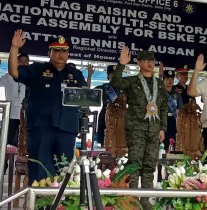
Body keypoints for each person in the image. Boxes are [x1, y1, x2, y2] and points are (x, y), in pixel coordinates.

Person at [8, 29, 87, 184]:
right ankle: (40, 206)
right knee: (39, 170)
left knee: (64, 171)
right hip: (41, 128)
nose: (61, 54)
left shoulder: (76, 74)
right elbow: (14, 71)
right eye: (56, 50)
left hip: (67, 130)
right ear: (49, 52)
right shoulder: (37, 69)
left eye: (64, 51)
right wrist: (14, 47)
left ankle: (60, 207)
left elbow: (85, 97)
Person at [110, 47, 167, 210]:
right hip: (136, 129)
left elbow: (163, 108)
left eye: (152, 60)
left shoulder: (160, 84)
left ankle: (146, 199)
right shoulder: (133, 81)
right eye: (146, 60)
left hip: (154, 129)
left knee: (150, 164)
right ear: (139, 62)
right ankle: (133, 198)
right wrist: (121, 64)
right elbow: (115, 82)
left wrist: (162, 128)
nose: (150, 63)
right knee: (134, 163)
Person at [0, 53, 29, 147]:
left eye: (25, 61)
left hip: (26, 116)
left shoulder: (32, 77)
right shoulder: (8, 76)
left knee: (24, 144)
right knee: (7, 142)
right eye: (21, 61)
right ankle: (5, 161)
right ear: (17, 62)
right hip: (11, 115)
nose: (23, 63)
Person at [93, 65, 122, 145]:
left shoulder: (124, 88)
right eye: (111, 74)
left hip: (120, 117)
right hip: (105, 115)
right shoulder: (104, 87)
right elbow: (88, 92)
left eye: (116, 74)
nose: (113, 76)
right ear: (108, 76)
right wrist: (89, 76)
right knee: (104, 140)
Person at [163, 69, 183, 150]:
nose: (170, 81)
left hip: (172, 120)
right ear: (163, 79)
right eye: (168, 78)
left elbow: (180, 109)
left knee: (171, 143)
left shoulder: (177, 95)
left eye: (172, 79)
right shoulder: (159, 93)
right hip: (161, 119)